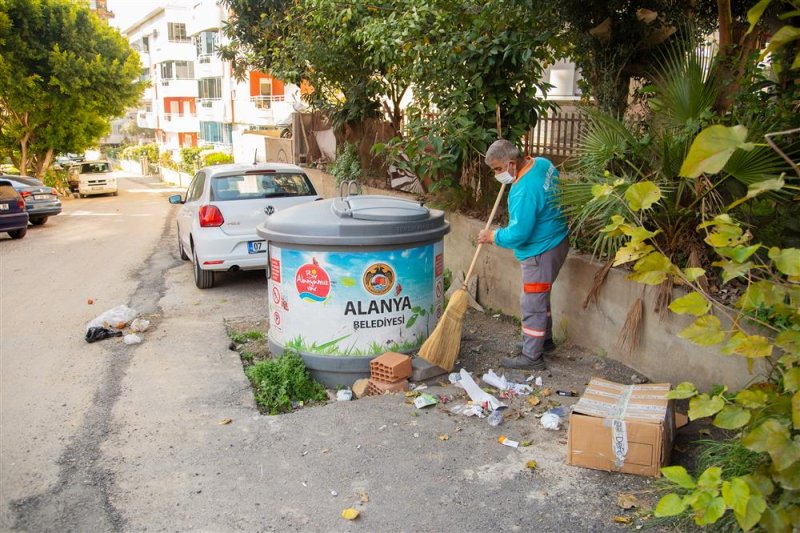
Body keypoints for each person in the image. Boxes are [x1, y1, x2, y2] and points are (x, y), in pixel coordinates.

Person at [477, 139, 569, 370]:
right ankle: (543, 342)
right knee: (540, 297)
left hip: (540, 251)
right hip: (557, 240)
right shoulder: (543, 164)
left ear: (510, 163)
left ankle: (531, 357)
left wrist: (492, 237)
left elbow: (519, 233)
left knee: (532, 304)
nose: (497, 174)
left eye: (498, 169)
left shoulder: (523, 191)